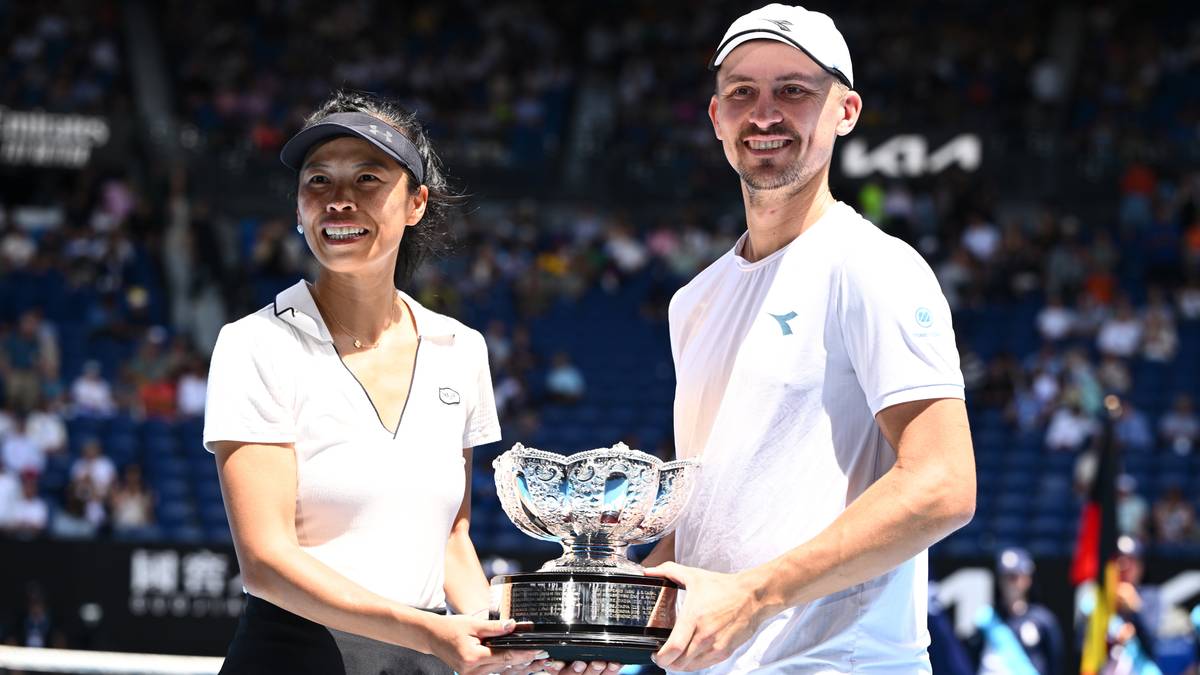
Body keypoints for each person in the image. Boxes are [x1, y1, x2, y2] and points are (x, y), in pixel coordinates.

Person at [203, 91, 594, 675]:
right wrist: (432, 633)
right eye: (318, 181)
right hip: (296, 657)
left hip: (423, 660)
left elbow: (451, 540)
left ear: (415, 203)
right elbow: (266, 561)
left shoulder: (461, 348)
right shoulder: (252, 343)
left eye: (367, 179)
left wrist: (518, 643)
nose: (339, 201)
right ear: (298, 206)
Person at [641, 6, 975, 672]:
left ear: (846, 111)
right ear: (716, 118)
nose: (764, 112)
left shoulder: (873, 266)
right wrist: (596, 618)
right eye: (742, 92)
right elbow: (708, 523)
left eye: (793, 90)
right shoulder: (694, 300)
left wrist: (755, 596)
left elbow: (943, 483)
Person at [970, 548, 1064, 675]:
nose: (1009, 583)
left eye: (1014, 577)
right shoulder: (986, 618)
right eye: (1004, 577)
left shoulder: (1043, 620)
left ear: (1027, 579)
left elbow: (1055, 663)